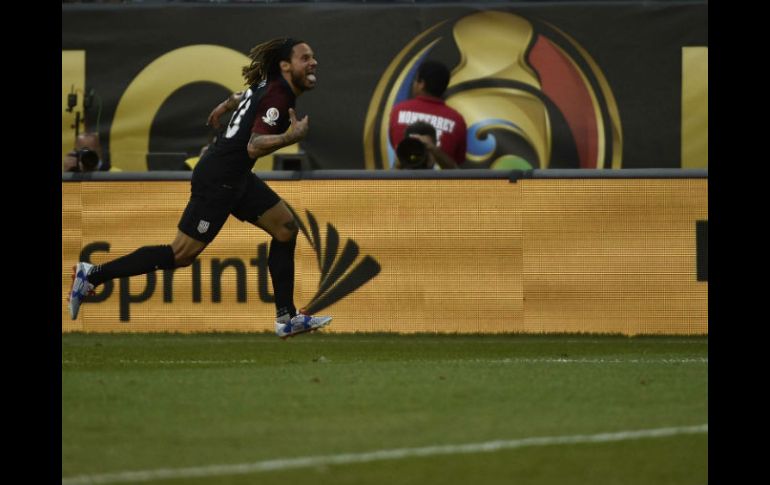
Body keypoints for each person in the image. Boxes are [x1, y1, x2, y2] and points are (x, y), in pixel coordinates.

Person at [68, 37, 331, 338]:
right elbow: (254, 145)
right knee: (181, 254)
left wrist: (223, 106)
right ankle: (93, 275)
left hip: (236, 176)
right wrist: (290, 136)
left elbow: (240, 96)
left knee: (285, 229)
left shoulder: (269, 86)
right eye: (305, 57)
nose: (313, 62)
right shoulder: (279, 96)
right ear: (286, 65)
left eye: (312, 56)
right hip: (219, 178)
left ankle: (287, 317)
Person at [389, 60, 467, 169]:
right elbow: (456, 166)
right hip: (439, 185)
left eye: (415, 80)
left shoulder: (398, 111)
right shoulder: (457, 120)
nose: (413, 84)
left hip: (402, 184)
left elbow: (395, 148)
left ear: (421, 84)